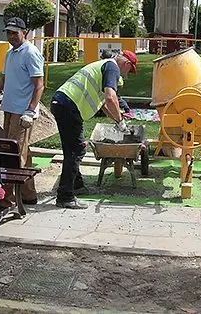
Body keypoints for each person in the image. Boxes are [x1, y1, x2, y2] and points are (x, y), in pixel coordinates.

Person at [50, 50, 138, 209]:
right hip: (69, 105)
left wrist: (118, 121)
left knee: (71, 149)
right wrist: (120, 121)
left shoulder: (104, 66)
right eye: (129, 71)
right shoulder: (112, 68)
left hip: (62, 102)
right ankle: (65, 196)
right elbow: (111, 97)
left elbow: (104, 104)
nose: (127, 75)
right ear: (127, 64)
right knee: (76, 151)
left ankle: (76, 184)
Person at [0, 17, 44, 207]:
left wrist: (30, 111)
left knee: (12, 156)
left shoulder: (30, 53)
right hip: (9, 110)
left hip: (22, 113)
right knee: (23, 153)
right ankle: (29, 195)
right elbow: (4, 82)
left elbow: (39, 86)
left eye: (15, 32)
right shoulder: (10, 53)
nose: (11, 36)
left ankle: (6, 199)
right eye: (9, 32)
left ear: (25, 32)